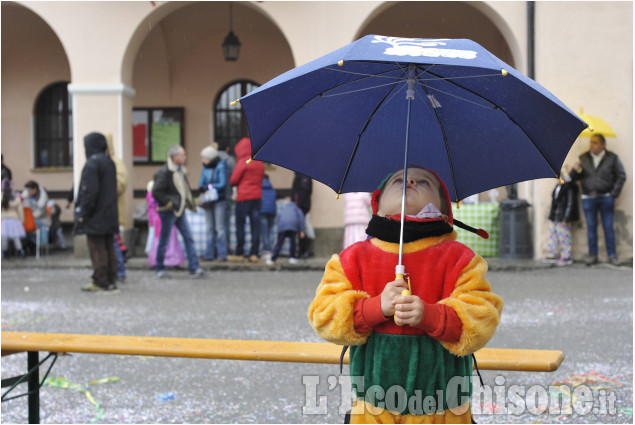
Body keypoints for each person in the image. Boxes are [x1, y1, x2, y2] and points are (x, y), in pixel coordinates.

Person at [308, 166, 503, 424]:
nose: (410, 180)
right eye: (398, 180)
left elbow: (481, 318)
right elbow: (324, 315)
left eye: (424, 182)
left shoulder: (460, 259)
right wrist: (374, 308)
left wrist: (432, 316)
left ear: (444, 211)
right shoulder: (352, 259)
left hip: (441, 412)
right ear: (377, 205)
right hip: (373, 412)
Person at [73, 132, 119, 292]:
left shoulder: (92, 164)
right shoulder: (109, 162)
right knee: (109, 248)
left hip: (96, 216)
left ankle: (101, 281)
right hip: (110, 213)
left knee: (97, 249)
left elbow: (89, 192)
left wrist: (83, 214)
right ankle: (111, 279)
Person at [571, 134, 626, 266]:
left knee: (608, 227)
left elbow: (621, 176)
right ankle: (592, 255)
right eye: (591, 142)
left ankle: (612, 256)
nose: (592, 145)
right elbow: (574, 178)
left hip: (606, 197)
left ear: (603, 145)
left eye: (595, 143)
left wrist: (613, 193)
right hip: (588, 198)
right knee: (591, 227)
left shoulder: (612, 158)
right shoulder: (583, 158)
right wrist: (575, 169)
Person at [152, 145, 205, 279]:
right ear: (174, 157)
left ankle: (194, 267)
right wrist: (169, 202)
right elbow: (156, 191)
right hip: (169, 210)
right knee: (164, 239)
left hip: (179, 209)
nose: (185, 158)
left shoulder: (181, 171)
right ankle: (160, 268)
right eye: (182, 155)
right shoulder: (165, 172)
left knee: (189, 238)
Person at [229, 137, 264, 263]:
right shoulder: (259, 162)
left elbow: (233, 180)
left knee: (241, 226)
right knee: (255, 226)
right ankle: (254, 253)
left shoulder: (243, 161)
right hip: (257, 197)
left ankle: (240, 253)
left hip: (243, 198)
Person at [541, 165, 579, 266]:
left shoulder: (569, 187)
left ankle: (566, 256)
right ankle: (552, 253)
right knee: (552, 235)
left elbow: (570, 203)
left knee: (564, 236)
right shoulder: (558, 186)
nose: (559, 177)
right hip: (555, 215)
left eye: (561, 175)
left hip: (562, 216)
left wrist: (566, 217)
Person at [198, 145, 228, 261]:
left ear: (210, 158)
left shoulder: (221, 165)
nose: (202, 160)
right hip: (207, 200)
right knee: (209, 228)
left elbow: (222, 183)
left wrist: (209, 186)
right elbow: (201, 181)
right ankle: (209, 254)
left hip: (219, 199)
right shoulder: (205, 167)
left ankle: (222, 254)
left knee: (220, 228)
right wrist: (201, 187)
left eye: (204, 158)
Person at [146, 180, 186, 268]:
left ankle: (158, 260)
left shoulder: (151, 197)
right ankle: (171, 260)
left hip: (157, 221)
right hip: (163, 220)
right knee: (168, 240)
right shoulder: (158, 196)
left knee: (158, 240)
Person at [106, 134, 129, 283]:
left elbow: (121, 183)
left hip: (112, 210)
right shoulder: (103, 161)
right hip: (105, 211)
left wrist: (105, 190)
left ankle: (120, 271)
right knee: (111, 242)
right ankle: (115, 270)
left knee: (114, 242)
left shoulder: (115, 161)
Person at [266, 198, 304, 266]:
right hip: (293, 226)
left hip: (282, 227)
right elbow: (301, 219)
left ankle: (273, 259)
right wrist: (302, 230)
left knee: (279, 243)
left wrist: (279, 233)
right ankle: (292, 257)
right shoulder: (297, 209)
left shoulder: (284, 209)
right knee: (293, 242)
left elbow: (279, 220)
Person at [215, 142, 235, 250]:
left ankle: (214, 249)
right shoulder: (230, 160)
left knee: (214, 225)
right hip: (226, 195)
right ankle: (225, 249)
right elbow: (234, 177)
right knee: (224, 224)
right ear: (227, 149)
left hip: (212, 197)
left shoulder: (211, 158)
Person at [1, 179, 26, 258]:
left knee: (3, 237)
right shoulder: (16, 197)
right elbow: (20, 210)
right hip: (14, 219)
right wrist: (22, 220)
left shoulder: (1, 196)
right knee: (16, 237)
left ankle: (4, 252)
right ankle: (20, 251)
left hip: (3, 220)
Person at [291, 172, 313, 258]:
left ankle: (304, 250)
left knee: (302, 229)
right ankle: (302, 251)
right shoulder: (301, 175)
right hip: (301, 206)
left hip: (302, 206)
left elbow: (303, 192)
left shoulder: (303, 176)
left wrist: (297, 206)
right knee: (301, 228)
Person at [22, 180, 50, 246]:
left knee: (29, 225)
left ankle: (35, 242)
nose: (28, 192)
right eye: (27, 190)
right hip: (30, 219)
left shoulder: (42, 197)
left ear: (35, 189)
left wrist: (30, 217)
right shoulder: (27, 196)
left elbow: (40, 212)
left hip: (41, 220)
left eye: (30, 190)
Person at [259, 174, 277, 258]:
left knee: (264, 233)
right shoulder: (272, 189)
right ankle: (267, 249)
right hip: (271, 213)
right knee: (268, 232)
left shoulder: (259, 188)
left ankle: (267, 251)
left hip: (262, 212)